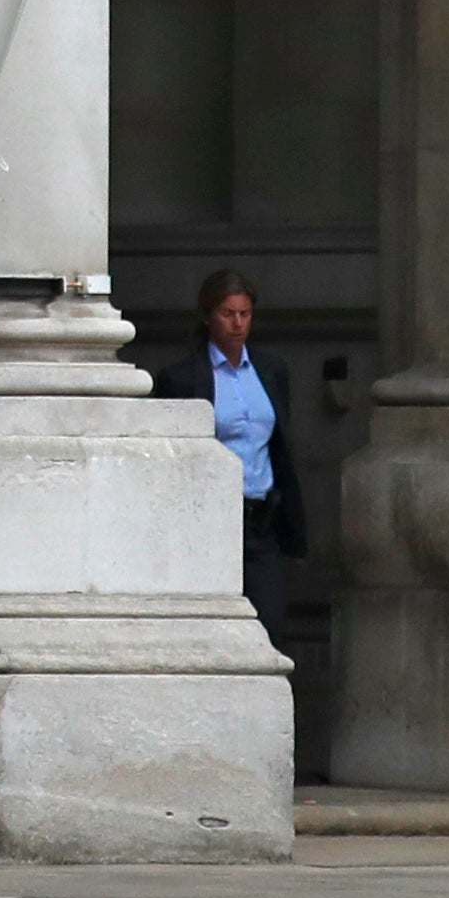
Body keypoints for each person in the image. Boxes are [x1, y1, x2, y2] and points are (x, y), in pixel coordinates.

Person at [152, 272, 306, 644]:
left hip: (260, 518)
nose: (237, 324)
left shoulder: (271, 371)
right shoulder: (182, 378)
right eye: (227, 313)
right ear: (208, 317)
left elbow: (279, 445)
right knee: (211, 630)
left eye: (245, 314)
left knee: (271, 625)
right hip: (211, 517)